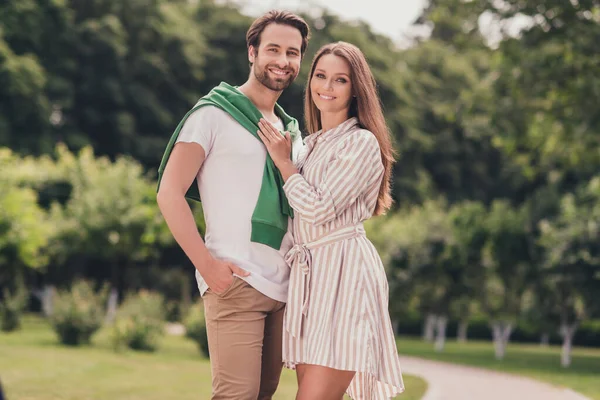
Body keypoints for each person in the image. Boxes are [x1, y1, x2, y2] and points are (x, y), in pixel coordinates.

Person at [156, 10, 310, 400]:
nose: (282, 60)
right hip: (236, 283)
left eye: (292, 53)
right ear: (252, 52)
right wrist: (208, 266)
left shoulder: (292, 133)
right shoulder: (213, 114)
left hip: (283, 289)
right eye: (273, 49)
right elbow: (169, 193)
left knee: (264, 394)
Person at [256, 41, 405, 399]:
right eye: (321, 76)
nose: (327, 86)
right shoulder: (309, 144)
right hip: (310, 282)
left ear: (356, 90)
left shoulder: (360, 143)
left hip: (345, 276)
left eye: (340, 80)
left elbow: (319, 208)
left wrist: (284, 164)